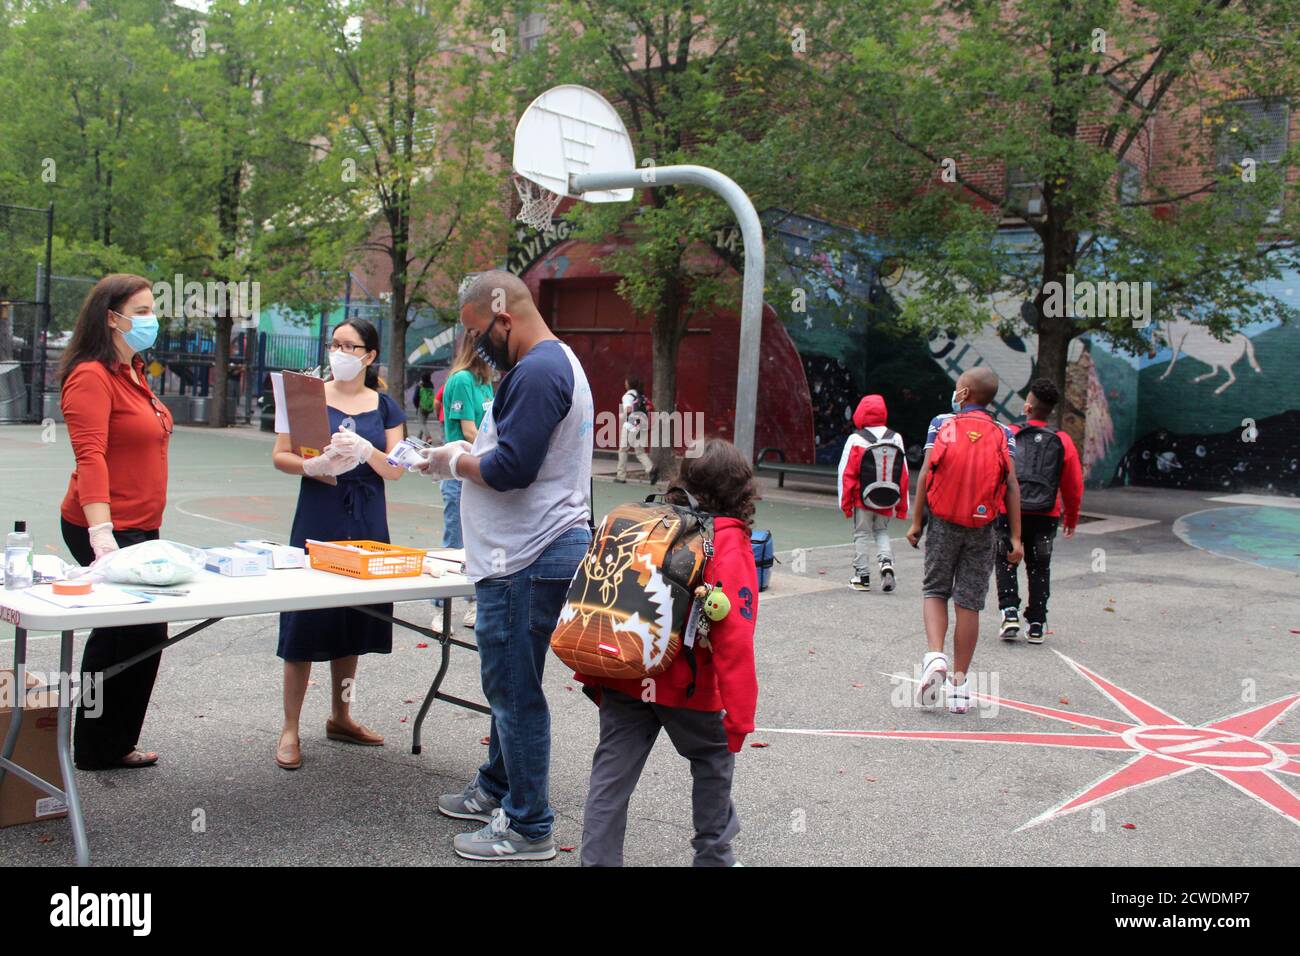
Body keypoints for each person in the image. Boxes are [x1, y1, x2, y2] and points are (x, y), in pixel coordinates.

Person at [418, 270, 593, 862]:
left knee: (515, 694)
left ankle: (528, 825)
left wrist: (453, 460)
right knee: (512, 688)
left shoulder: (541, 370)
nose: (473, 348)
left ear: (504, 319)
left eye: (476, 334)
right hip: (525, 554)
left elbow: (512, 468)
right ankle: (498, 786)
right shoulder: (546, 364)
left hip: (527, 557)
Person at [576, 438, 759, 867]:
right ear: (741, 491)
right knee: (712, 760)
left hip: (627, 669)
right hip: (687, 684)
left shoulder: (652, 521)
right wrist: (739, 717)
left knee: (611, 775)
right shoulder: (726, 541)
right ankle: (712, 856)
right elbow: (734, 637)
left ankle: (597, 860)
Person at [270, 319, 408, 771]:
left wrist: (368, 454)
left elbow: (396, 467)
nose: (340, 352)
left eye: (350, 346)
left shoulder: (384, 406)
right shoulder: (306, 395)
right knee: (304, 620)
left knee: (353, 615)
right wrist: (315, 466)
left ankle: (341, 715)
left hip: (366, 516)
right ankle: (290, 727)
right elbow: (282, 455)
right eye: (335, 344)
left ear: (369, 356)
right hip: (319, 511)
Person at [59, 274, 173, 770]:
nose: (152, 320)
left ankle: (116, 742)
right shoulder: (91, 375)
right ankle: (92, 747)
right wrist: (101, 534)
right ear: (113, 317)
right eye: (143, 310)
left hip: (140, 526)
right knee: (120, 632)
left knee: (143, 631)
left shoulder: (134, 373)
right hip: (103, 524)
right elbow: (91, 456)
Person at [906, 367, 1023, 714]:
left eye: (958, 388)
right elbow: (1012, 484)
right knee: (969, 601)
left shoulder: (941, 423)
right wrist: (1016, 537)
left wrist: (916, 521)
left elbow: (927, 472)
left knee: (935, 590)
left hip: (943, 522)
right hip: (983, 527)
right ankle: (959, 685)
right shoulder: (1005, 432)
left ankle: (934, 656)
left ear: (966, 394)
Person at [996, 378, 1083, 644]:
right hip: (1046, 514)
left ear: (1028, 406)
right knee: (1040, 567)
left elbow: (995, 470)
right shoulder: (1062, 440)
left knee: (1006, 560)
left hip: (1009, 510)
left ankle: (1009, 612)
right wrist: (1071, 516)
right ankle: (1036, 623)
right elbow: (1074, 484)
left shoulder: (1009, 432)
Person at [430, 333, 494, 635]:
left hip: (478, 472)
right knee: (453, 540)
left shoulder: (485, 382)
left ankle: (472, 602)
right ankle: (439, 607)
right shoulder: (461, 380)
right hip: (458, 473)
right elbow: (469, 430)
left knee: (476, 542)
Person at [837, 394, 909, 592]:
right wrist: (902, 507)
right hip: (888, 498)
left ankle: (862, 577)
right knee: (881, 531)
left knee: (861, 534)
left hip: (863, 499)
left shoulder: (856, 439)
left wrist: (846, 504)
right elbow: (903, 473)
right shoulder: (896, 438)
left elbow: (847, 473)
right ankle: (886, 564)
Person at [614, 376, 656, 483]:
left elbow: (628, 410)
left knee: (623, 450)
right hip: (641, 425)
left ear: (628, 384)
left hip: (630, 426)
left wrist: (622, 416)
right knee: (640, 451)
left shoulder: (627, 396)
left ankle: (621, 476)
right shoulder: (641, 395)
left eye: (626, 382)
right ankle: (651, 469)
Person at [415, 371, 436, 441]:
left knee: (422, 423)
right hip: (428, 407)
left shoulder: (420, 385)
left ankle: (428, 437)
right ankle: (418, 438)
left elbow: (415, 397)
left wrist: (416, 405)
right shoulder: (431, 385)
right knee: (423, 422)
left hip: (421, 407)